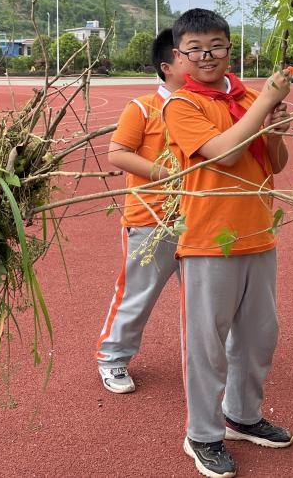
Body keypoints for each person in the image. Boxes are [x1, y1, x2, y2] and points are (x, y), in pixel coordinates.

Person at [162, 8, 293, 478]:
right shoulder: (182, 105)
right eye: (194, 49)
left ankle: (242, 414)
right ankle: (202, 434)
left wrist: (277, 130)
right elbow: (224, 153)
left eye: (216, 46)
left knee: (259, 337)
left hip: (258, 234)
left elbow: (272, 163)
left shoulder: (248, 96)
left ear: (229, 47)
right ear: (179, 57)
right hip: (207, 240)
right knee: (207, 345)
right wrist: (265, 106)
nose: (207, 56)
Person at [95, 29, 188, 394]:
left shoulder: (204, 106)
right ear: (167, 66)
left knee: (202, 295)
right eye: (187, 54)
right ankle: (113, 357)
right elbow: (117, 154)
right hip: (151, 217)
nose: (198, 59)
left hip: (197, 216)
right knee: (139, 291)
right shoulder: (143, 107)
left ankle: (204, 357)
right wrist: (168, 174)